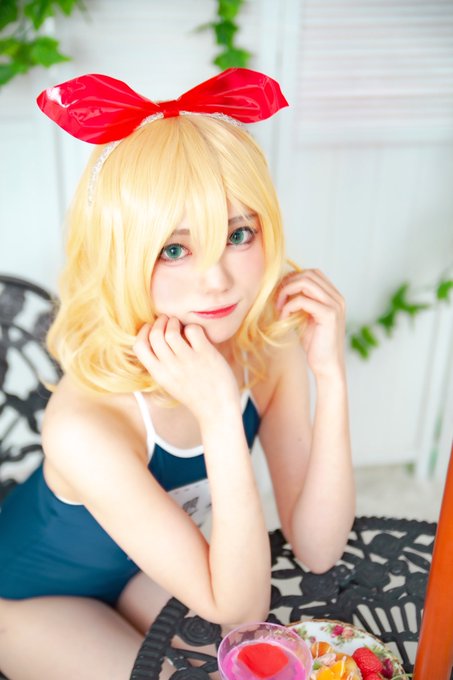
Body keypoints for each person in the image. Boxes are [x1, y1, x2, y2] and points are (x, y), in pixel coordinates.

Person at [0, 68, 355, 679]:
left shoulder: (264, 350)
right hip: (30, 597)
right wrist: (219, 416)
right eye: (174, 249)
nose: (216, 280)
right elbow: (238, 606)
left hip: (142, 567)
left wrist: (331, 375)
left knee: (254, 666)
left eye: (238, 235)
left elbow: (318, 548)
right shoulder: (87, 422)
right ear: (121, 255)